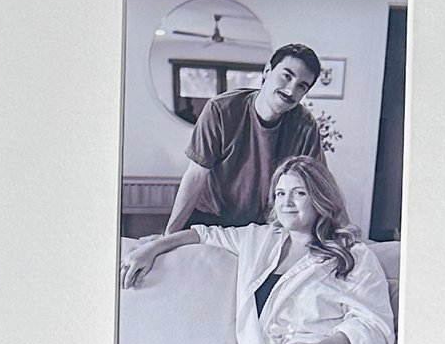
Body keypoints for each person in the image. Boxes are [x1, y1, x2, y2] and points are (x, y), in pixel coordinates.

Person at [165, 160, 397, 344]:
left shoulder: (354, 255)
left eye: (299, 193)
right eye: (280, 193)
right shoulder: (258, 239)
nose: (287, 202)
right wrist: (152, 247)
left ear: (321, 197)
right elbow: (203, 233)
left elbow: (375, 327)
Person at [128, 40, 331, 270]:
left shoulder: (305, 126)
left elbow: (316, 188)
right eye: (287, 76)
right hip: (208, 217)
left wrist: (329, 238)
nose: (291, 90)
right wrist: (168, 238)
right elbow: (195, 176)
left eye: (302, 86)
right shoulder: (221, 110)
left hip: (259, 227)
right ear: (267, 71)